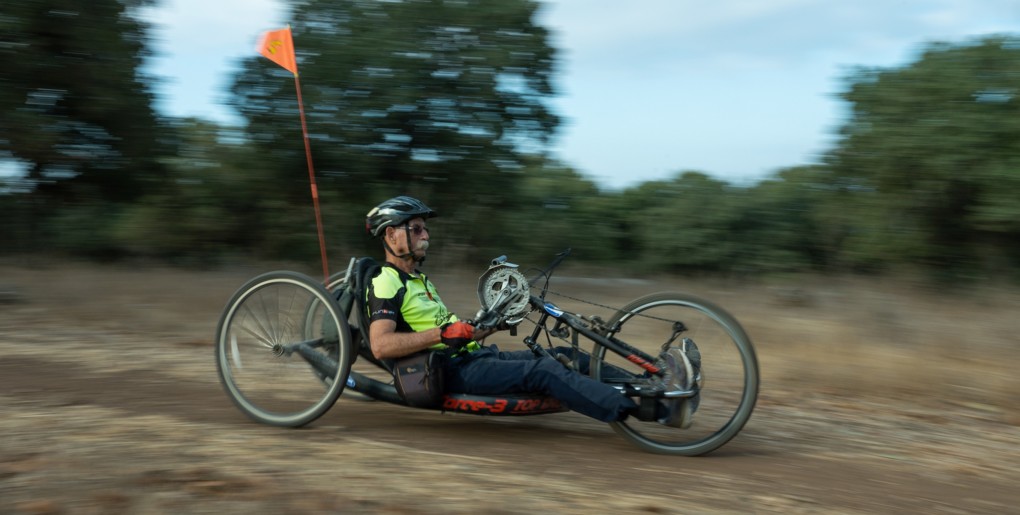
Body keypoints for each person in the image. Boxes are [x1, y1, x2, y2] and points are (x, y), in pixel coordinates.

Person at [364, 195, 699, 427]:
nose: (426, 235)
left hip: (472, 356)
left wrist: (495, 320)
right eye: (417, 229)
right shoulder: (385, 281)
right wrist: (443, 333)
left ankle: (656, 383)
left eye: (425, 228)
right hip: (447, 370)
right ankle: (654, 411)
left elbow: (457, 333)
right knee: (544, 371)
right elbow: (381, 345)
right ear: (391, 235)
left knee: (568, 355)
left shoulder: (419, 280)